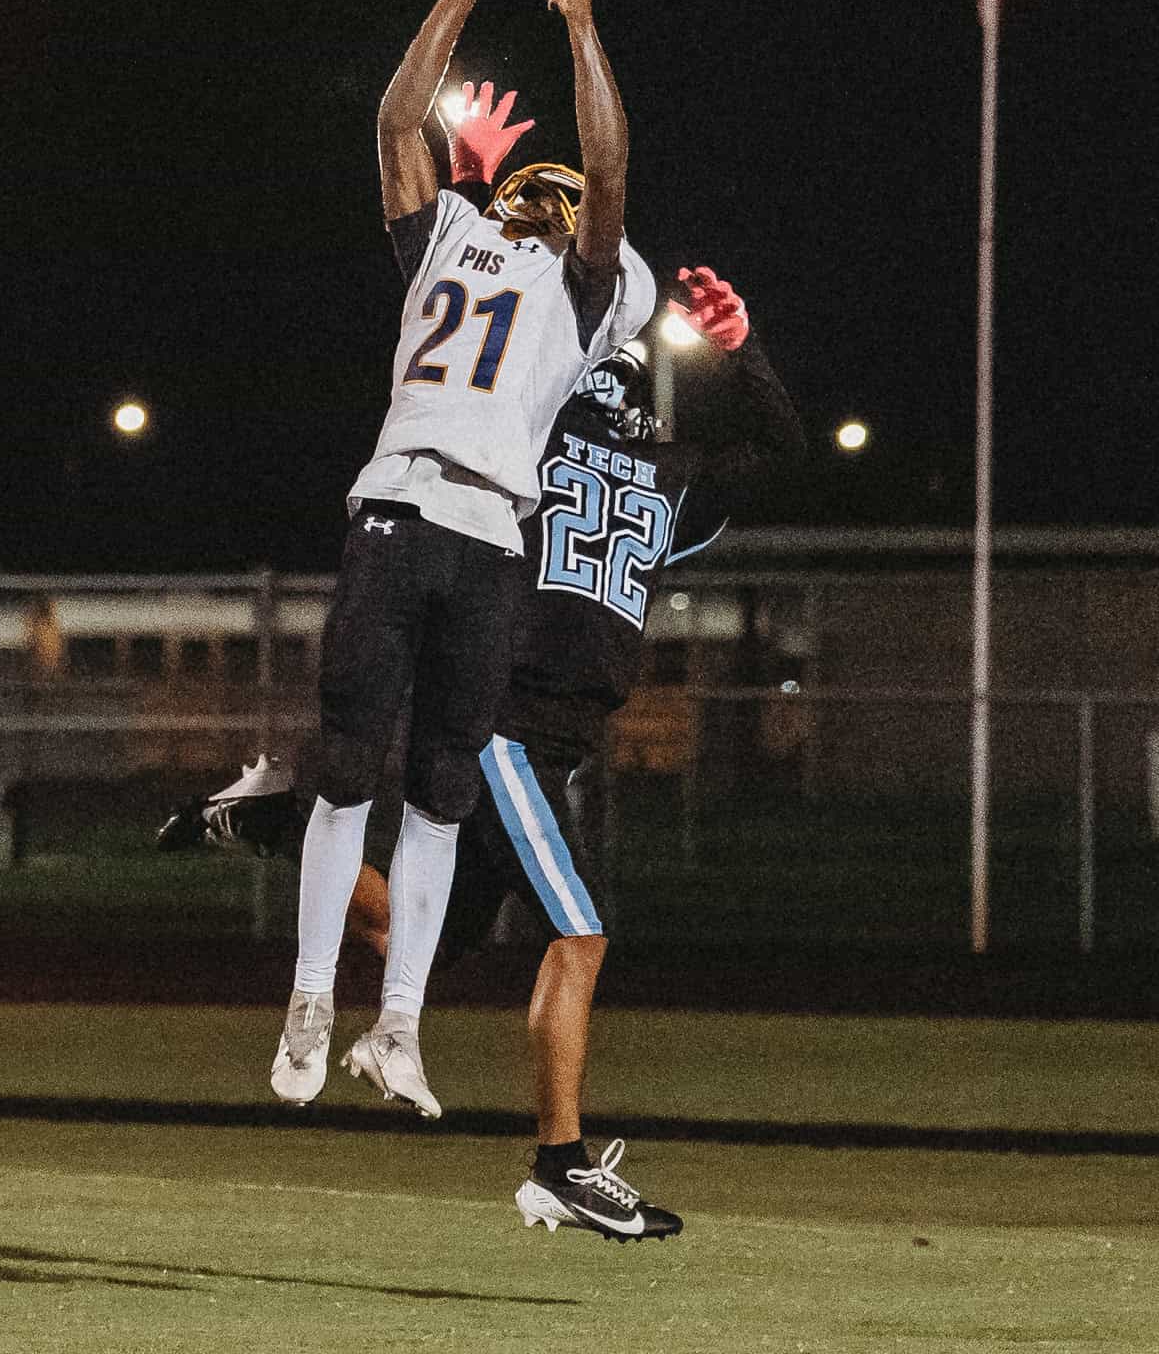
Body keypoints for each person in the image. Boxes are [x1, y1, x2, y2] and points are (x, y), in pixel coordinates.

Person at [162, 266, 804, 1239]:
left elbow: (775, 450)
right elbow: (780, 447)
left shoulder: (552, 447)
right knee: (578, 935)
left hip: (546, 736)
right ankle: (561, 1163)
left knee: (411, 940)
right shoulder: (627, 463)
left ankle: (285, 819)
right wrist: (740, 346)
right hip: (507, 725)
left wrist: (734, 341)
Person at [270, 0, 656, 1119]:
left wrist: (580, 28)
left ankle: (398, 1029)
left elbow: (607, 168)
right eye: (530, 190)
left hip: (488, 528)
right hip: (399, 502)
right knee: (347, 765)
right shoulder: (446, 231)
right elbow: (395, 120)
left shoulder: (584, 291)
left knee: (438, 786)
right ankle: (310, 995)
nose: (541, 203)